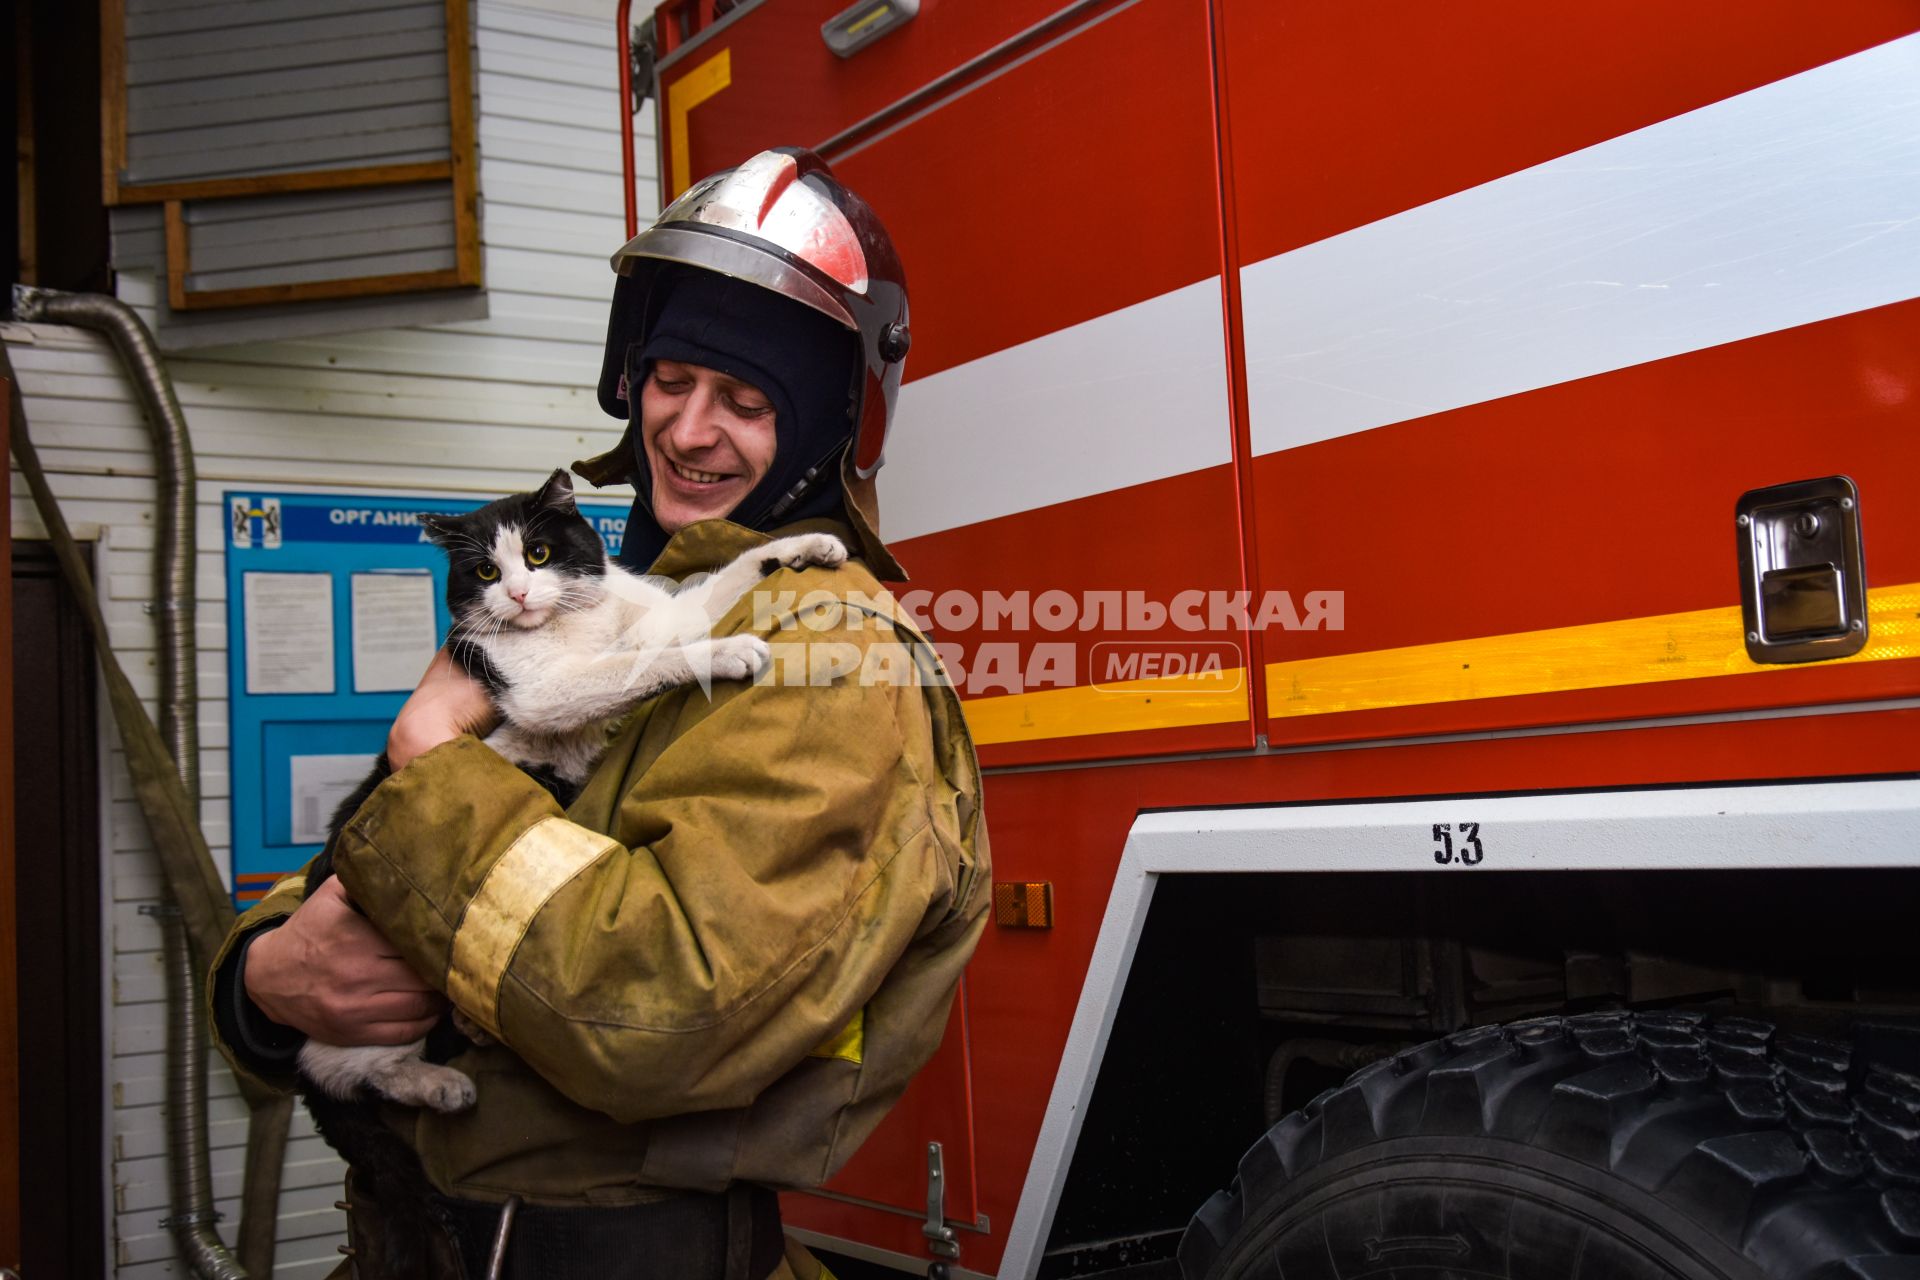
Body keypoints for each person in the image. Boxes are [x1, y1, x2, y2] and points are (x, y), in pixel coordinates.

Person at [207, 147, 992, 1280]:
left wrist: (429, 755)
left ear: (825, 428)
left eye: (747, 399)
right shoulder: (613, 601)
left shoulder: (829, 653)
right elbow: (370, 858)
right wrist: (265, 979)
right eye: (672, 379)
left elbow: (662, 1011)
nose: (687, 429)